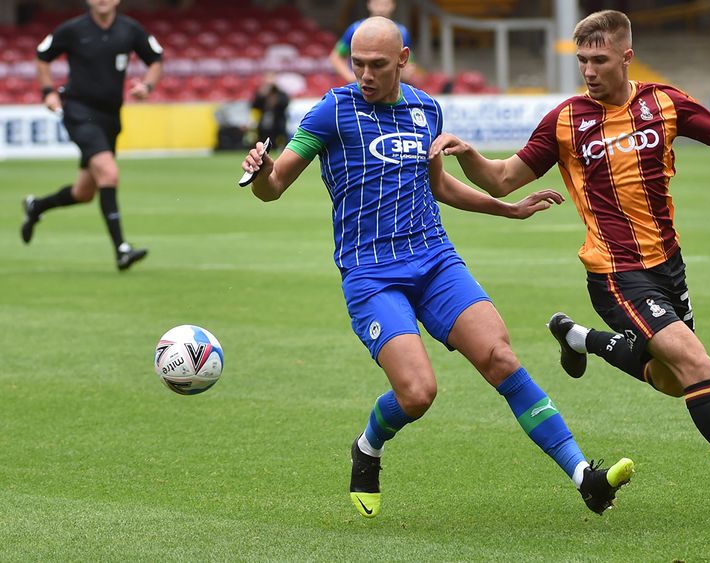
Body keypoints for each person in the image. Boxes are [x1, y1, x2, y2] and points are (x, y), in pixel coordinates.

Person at [430, 10, 710, 520]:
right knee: (697, 365)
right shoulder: (566, 120)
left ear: (627, 57)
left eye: (599, 60)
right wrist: (469, 155)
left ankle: (579, 338)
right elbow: (503, 179)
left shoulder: (664, 103)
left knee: (673, 379)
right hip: (615, 274)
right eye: (582, 61)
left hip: (668, 266)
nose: (588, 71)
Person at [241, 16, 634, 519]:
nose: (365, 74)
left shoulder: (426, 109)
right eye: (358, 64)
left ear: (403, 61)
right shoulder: (333, 112)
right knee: (418, 393)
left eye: (377, 65)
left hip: (434, 259)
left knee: (501, 358)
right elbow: (273, 188)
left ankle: (585, 476)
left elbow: (441, 186)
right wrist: (261, 173)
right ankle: (367, 447)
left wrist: (508, 209)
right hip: (371, 272)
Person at [21, 0, 162, 271]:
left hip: (110, 116)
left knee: (84, 192)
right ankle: (122, 249)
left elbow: (155, 59)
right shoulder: (73, 29)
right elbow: (43, 56)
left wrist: (147, 85)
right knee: (109, 173)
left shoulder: (130, 29)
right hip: (78, 111)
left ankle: (36, 206)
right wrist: (48, 91)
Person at [328, 0, 419, 85]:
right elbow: (336, 56)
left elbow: (408, 62)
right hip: (361, 86)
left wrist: (405, 74)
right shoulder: (356, 29)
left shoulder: (401, 32)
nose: (381, 9)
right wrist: (350, 77)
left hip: (389, 87)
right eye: (377, 3)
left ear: (393, 5)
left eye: (385, 4)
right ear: (369, 4)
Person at [250, 73, 290, 150]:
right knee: (263, 135)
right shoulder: (262, 93)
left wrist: (276, 101)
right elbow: (255, 105)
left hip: (278, 119)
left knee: (281, 134)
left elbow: (285, 103)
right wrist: (263, 93)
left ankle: (282, 149)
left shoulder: (281, 93)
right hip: (265, 118)